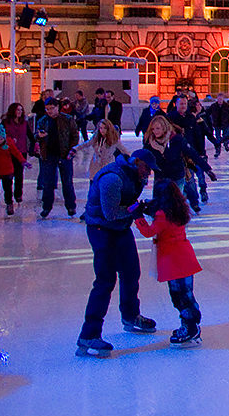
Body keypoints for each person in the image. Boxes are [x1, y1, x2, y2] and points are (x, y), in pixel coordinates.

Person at [77, 149, 158, 357]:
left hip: (120, 228)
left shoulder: (134, 176)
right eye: (146, 168)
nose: (148, 173)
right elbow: (110, 213)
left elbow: (126, 207)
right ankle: (89, 334)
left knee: (131, 272)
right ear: (136, 162)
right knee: (105, 280)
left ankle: (130, 316)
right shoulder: (112, 178)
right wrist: (134, 211)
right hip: (100, 229)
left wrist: (142, 208)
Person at [134, 179, 203, 346]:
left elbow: (149, 231)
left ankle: (190, 326)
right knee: (186, 293)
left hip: (173, 259)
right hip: (185, 256)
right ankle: (191, 323)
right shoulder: (179, 209)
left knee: (179, 295)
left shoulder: (162, 214)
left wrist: (138, 217)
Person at [36, 97, 79, 218]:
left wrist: (71, 150)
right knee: (48, 183)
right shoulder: (43, 120)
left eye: (51, 108)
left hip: (64, 155)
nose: (49, 111)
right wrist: (39, 136)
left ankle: (71, 206)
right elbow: (36, 135)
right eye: (47, 109)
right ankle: (46, 207)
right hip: (48, 155)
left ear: (57, 108)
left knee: (67, 182)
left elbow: (75, 135)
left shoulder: (67, 119)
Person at [0, 102, 33, 205]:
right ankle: (8, 197)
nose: (20, 112)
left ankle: (18, 195)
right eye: (18, 110)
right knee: (8, 176)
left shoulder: (24, 123)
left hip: (21, 152)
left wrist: (33, 146)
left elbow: (30, 136)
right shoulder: (5, 122)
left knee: (19, 175)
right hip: (8, 153)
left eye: (21, 110)